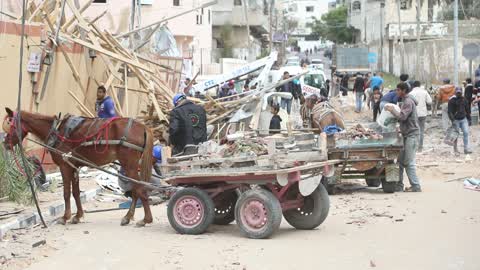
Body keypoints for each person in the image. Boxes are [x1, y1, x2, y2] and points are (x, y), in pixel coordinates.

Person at [384, 82, 421, 192]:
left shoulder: (408, 101)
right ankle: (399, 186)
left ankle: (415, 186)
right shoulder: (405, 101)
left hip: (412, 135)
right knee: (400, 162)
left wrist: (392, 110)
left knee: (408, 162)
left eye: (398, 90)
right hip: (406, 134)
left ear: (404, 90)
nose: (397, 92)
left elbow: (402, 117)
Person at [448, 87, 472, 155]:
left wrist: (469, 119)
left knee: (466, 133)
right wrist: (453, 120)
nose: (458, 93)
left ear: (462, 92)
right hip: (456, 120)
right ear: (455, 92)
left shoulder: (464, 100)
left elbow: (467, 110)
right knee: (456, 135)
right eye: (457, 92)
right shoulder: (452, 100)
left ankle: (466, 149)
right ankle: (455, 150)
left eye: (460, 92)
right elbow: (449, 112)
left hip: (463, 119)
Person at [409, 81, 432, 152]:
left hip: (414, 114)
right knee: (421, 130)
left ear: (413, 86)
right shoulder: (424, 92)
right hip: (423, 114)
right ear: (420, 85)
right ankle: (420, 147)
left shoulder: (410, 93)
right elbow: (429, 102)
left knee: (414, 130)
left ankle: (414, 147)